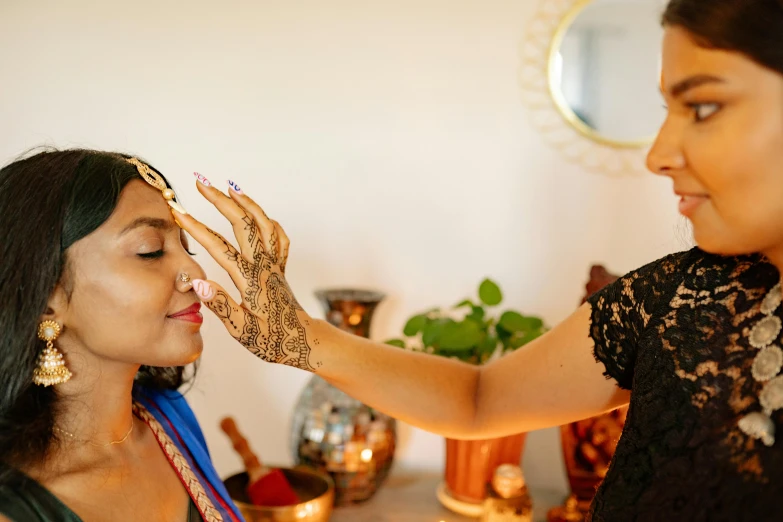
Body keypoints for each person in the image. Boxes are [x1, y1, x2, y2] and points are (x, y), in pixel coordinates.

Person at [167, 0, 783, 520]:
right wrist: (301, 338)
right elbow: (480, 400)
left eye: (702, 108)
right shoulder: (682, 298)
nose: (659, 153)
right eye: (666, 111)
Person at [0, 151, 243, 521]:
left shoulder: (168, 420)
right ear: (47, 298)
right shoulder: (16, 508)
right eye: (151, 250)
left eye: (186, 246)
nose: (194, 271)